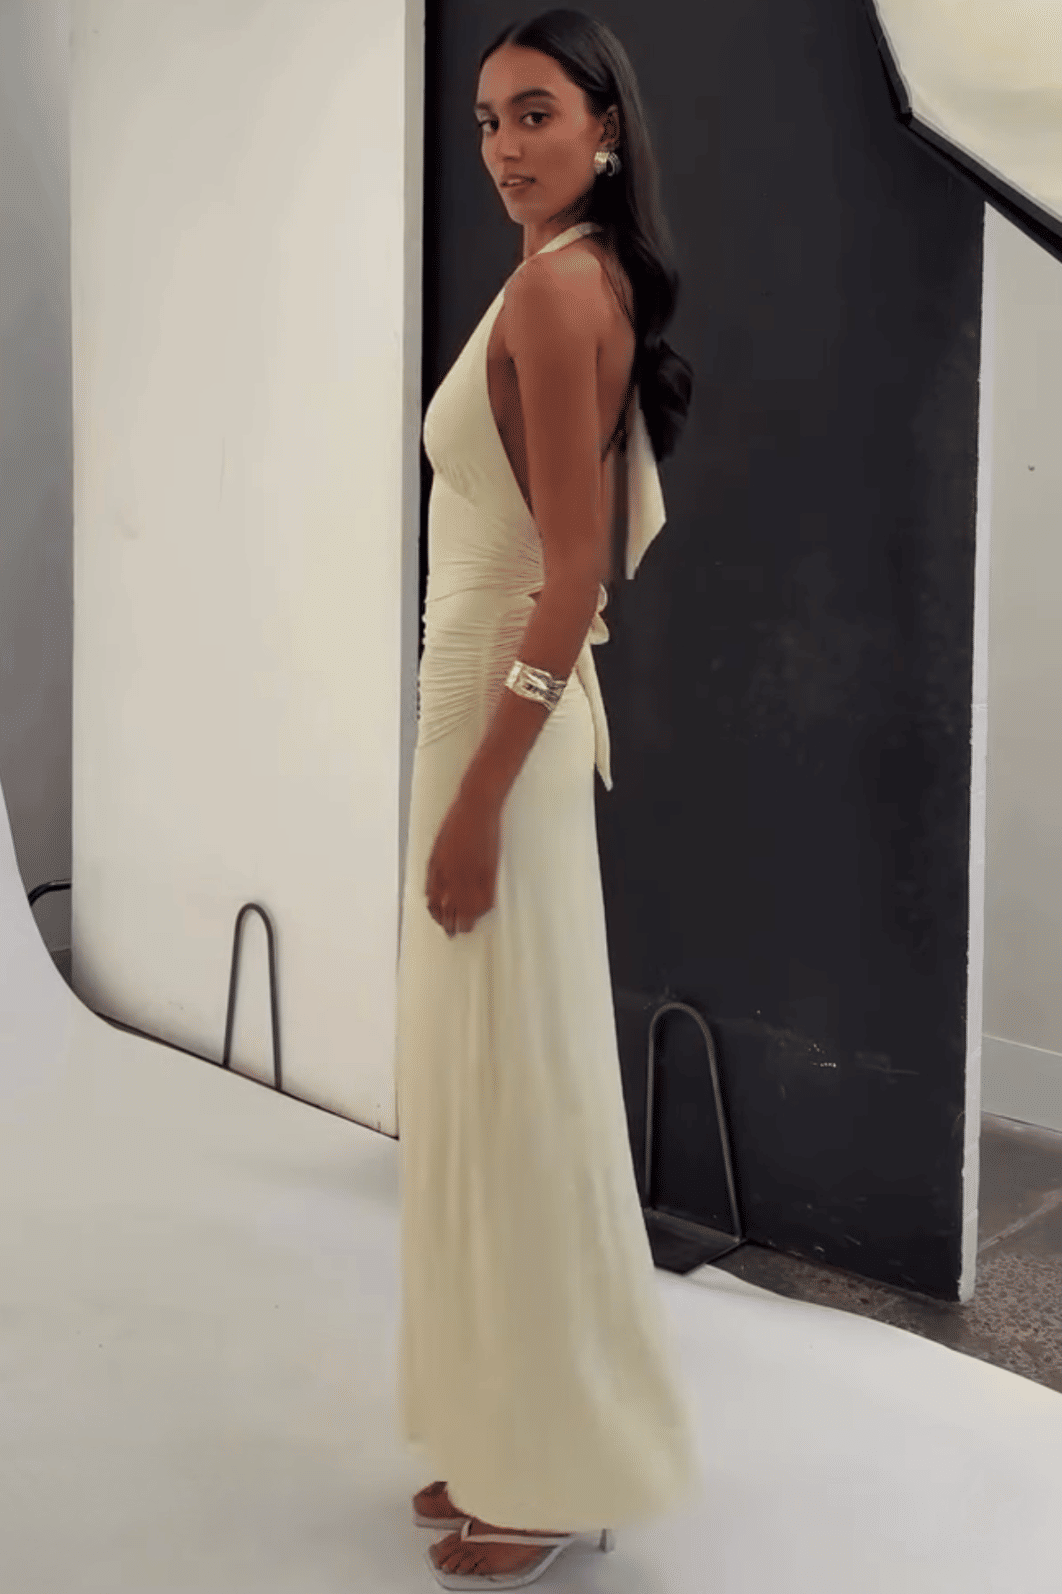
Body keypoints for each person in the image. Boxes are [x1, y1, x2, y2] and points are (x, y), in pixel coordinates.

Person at [393, 10, 700, 1588]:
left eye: (533, 112)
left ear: (603, 127)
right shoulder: (570, 277)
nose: (503, 146)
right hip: (478, 718)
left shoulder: (558, 288)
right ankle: (507, 1423)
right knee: (483, 1087)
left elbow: (572, 579)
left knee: (519, 1095)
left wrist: (472, 805)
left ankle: (560, 1459)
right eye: (485, 120)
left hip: (495, 736)